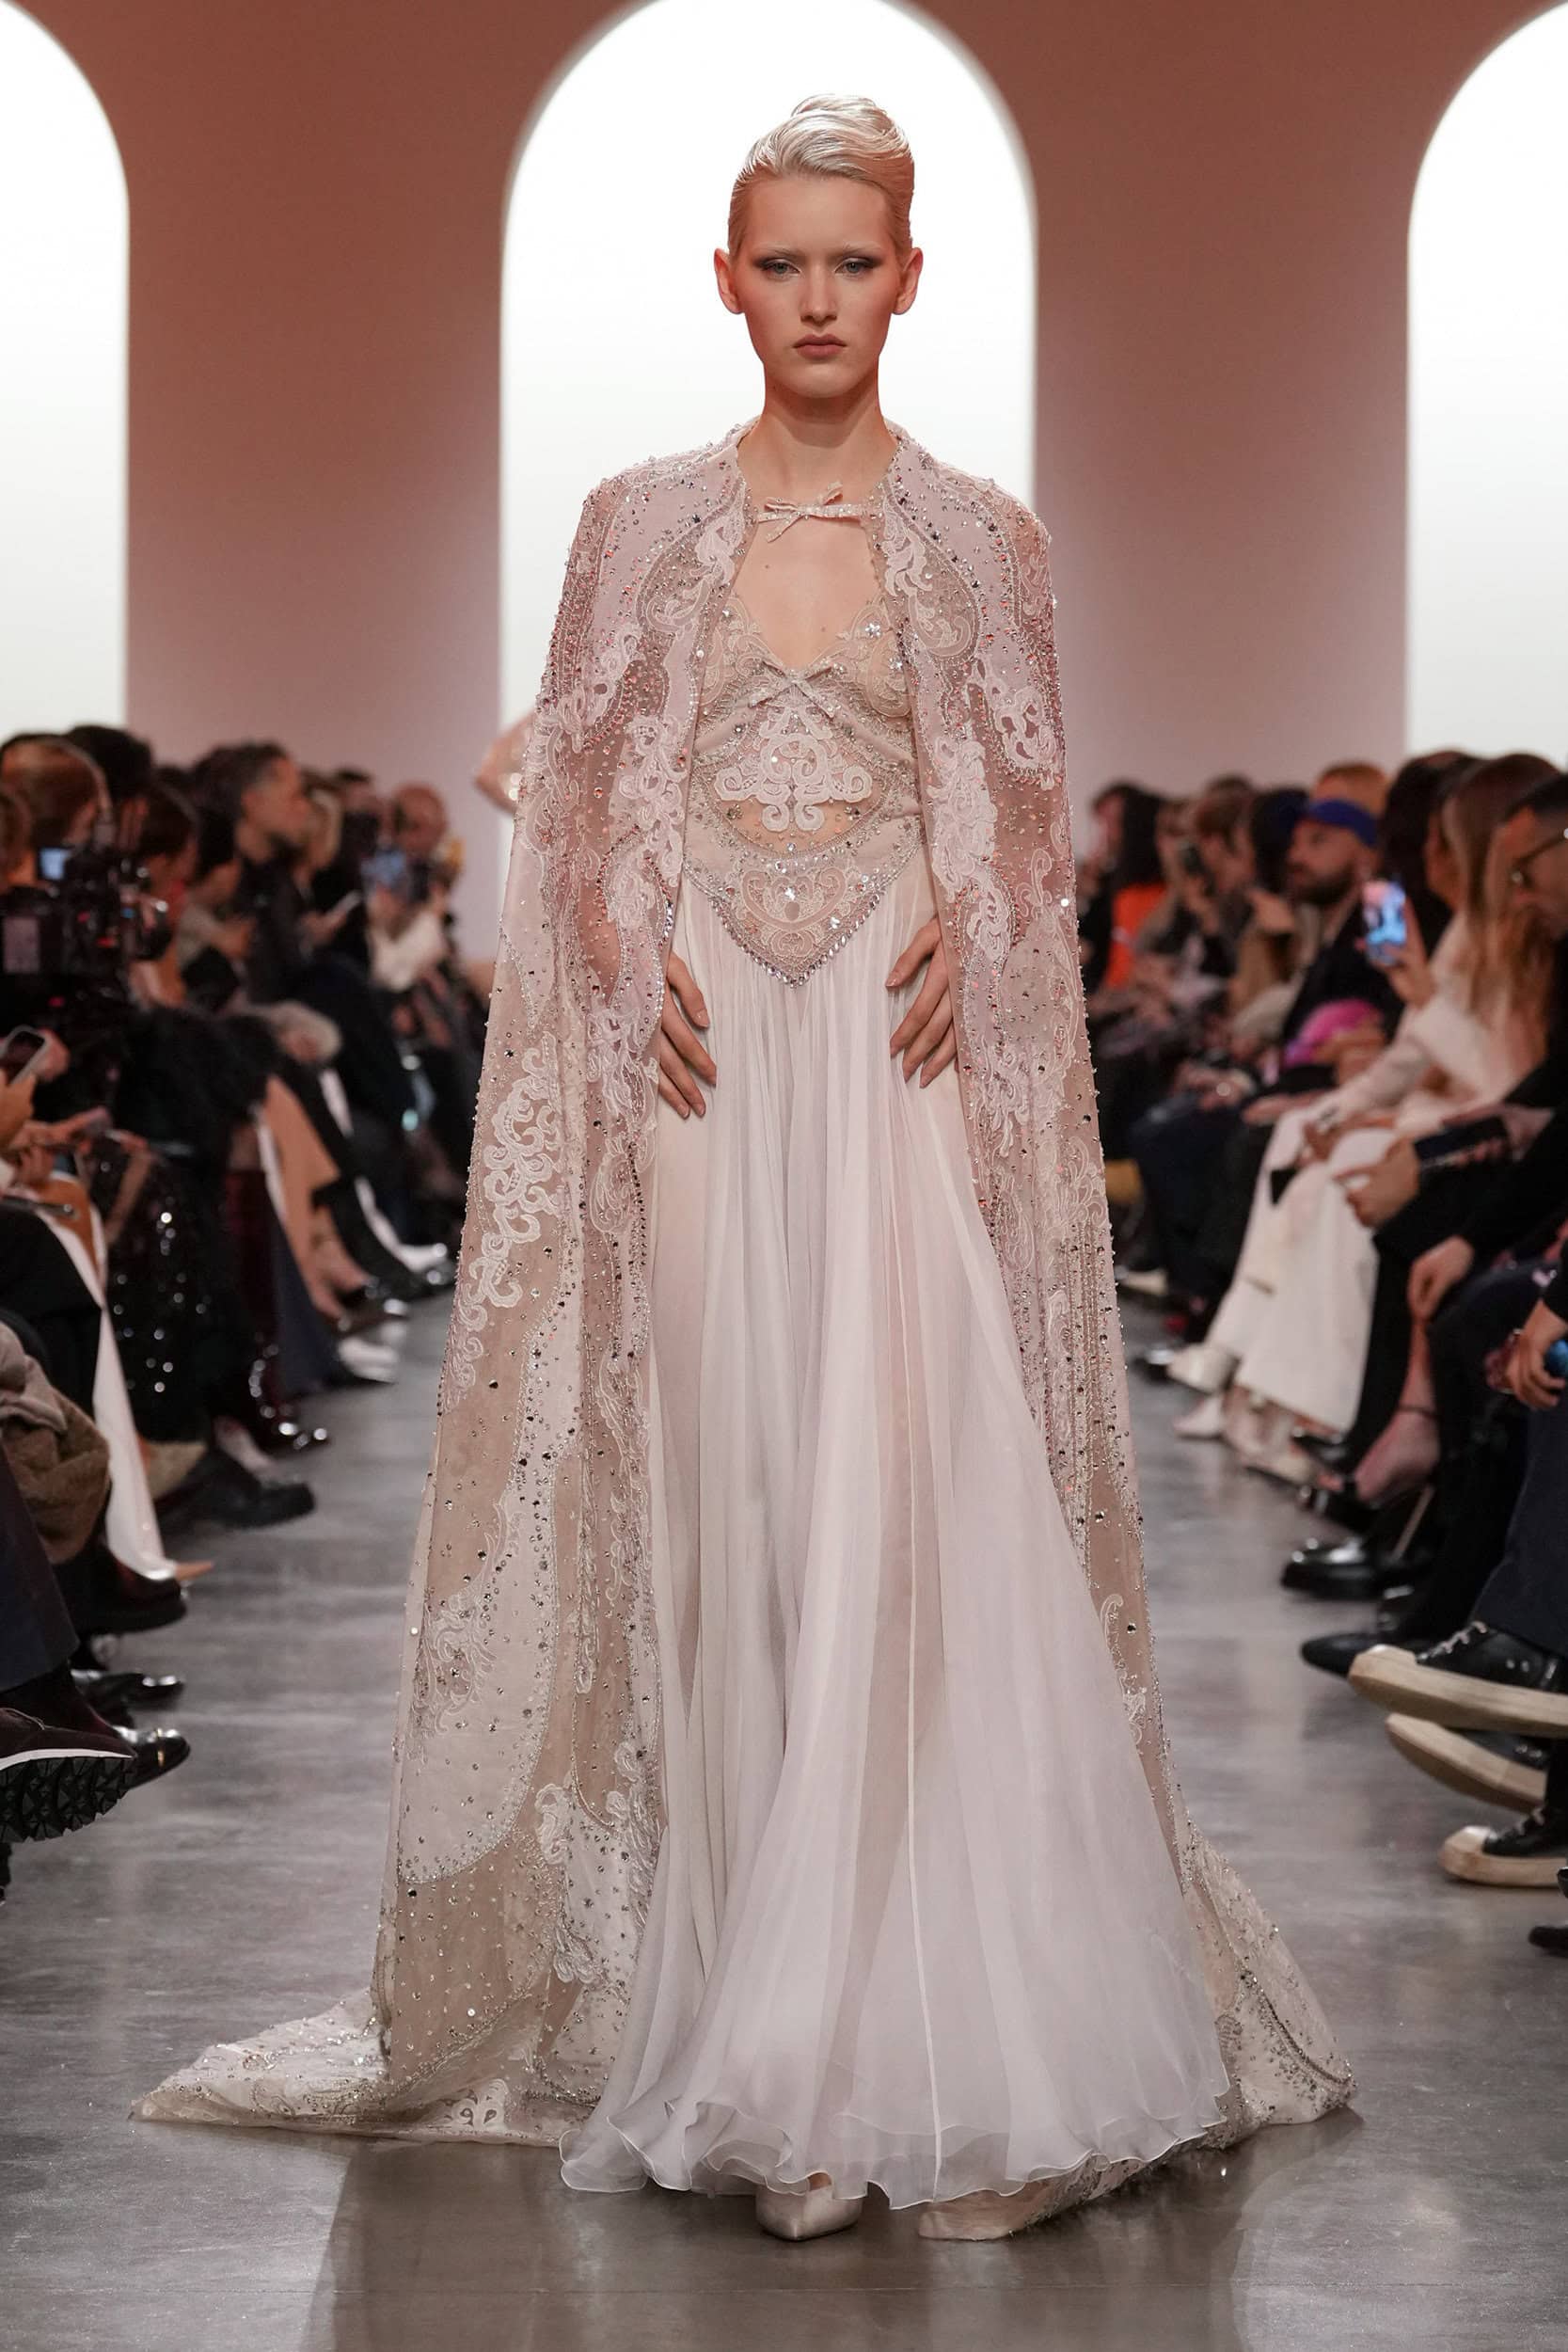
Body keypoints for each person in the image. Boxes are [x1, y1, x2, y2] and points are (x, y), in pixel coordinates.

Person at [140, 94, 1351, 2240]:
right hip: (697, 1060)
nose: (816, 298)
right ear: (728, 278)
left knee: (913, 1501)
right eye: (781, 262)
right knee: (738, 1506)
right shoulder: (633, 525)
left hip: (896, 1059)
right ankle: (764, 2038)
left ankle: (915, 2038)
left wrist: (979, 917)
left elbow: (1025, 824)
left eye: (851, 262)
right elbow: (575, 803)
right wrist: (615, 948)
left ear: (910, 277)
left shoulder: (985, 538)